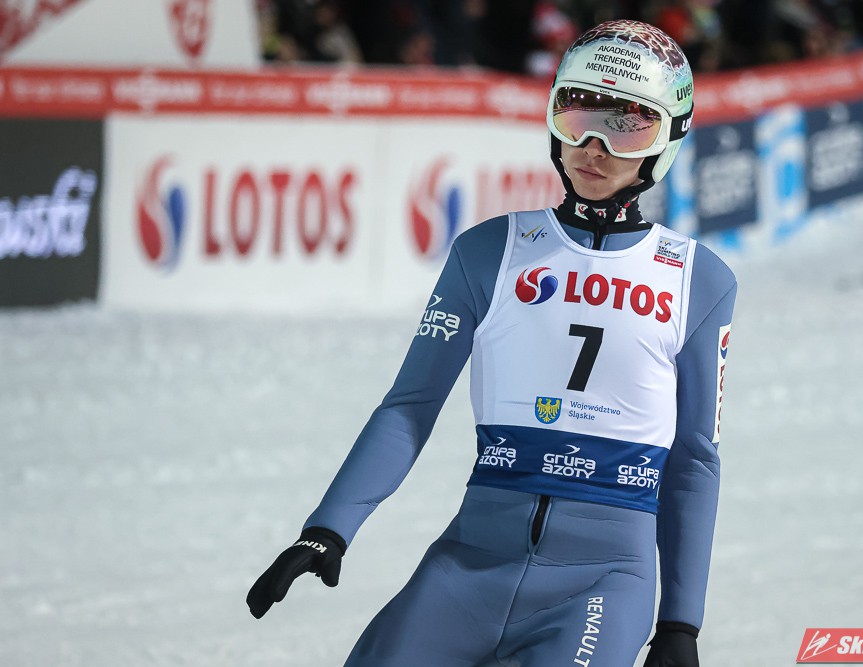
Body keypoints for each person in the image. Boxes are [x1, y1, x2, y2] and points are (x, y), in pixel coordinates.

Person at [247, 19, 737, 667]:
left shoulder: (699, 280)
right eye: (576, 114)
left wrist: (679, 623)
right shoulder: (488, 252)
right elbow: (410, 406)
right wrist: (327, 529)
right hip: (470, 565)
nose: (592, 146)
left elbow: (694, 459)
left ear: (668, 138)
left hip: (602, 583)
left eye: (626, 127)